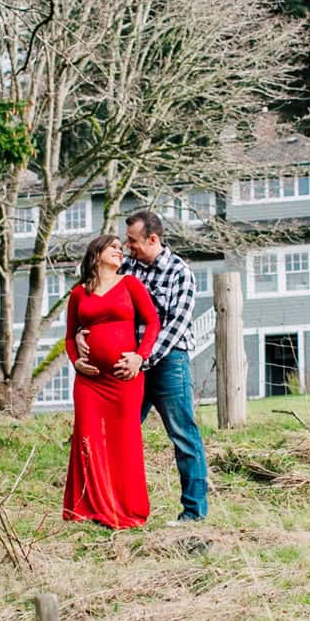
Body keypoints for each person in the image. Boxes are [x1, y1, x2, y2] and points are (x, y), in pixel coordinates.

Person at [78, 209, 209, 523]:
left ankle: (194, 512)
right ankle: (109, 507)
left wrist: (143, 357)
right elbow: (102, 305)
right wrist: (83, 334)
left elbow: (176, 324)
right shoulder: (127, 271)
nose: (127, 246)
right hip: (128, 365)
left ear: (153, 239)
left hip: (168, 362)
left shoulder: (180, 272)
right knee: (117, 434)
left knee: (183, 435)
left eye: (133, 241)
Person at [62, 232, 159, 529]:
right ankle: (90, 509)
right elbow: (69, 336)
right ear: (96, 254)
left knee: (124, 441)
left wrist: (140, 357)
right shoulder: (79, 293)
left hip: (123, 379)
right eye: (113, 247)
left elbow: (153, 322)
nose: (120, 251)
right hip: (89, 383)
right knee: (87, 440)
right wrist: (76, 361)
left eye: (121, 248)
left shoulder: (130, 284)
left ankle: (127, 510)